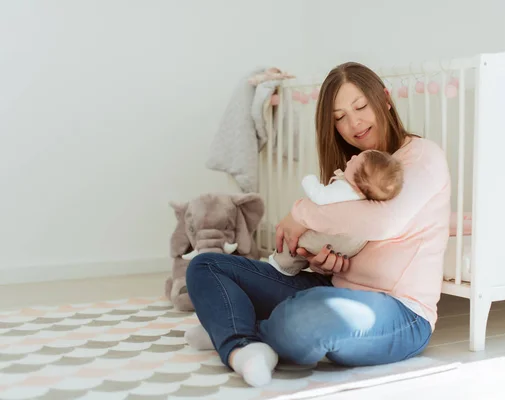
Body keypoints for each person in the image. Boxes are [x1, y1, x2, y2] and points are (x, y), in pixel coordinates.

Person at [184, 61, 451, 388]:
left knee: (311, 314)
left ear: (384, 98)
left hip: (402, 313)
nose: (353, 123)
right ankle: (243, 347)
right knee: (206, 265)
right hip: (331, 288)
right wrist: (326, 263)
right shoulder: (352, 169)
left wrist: (300, 214)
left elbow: (383, 223)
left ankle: (230, 328)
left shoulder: (423, 156)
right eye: (339, 117)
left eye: (360, 107)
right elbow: (347, 240)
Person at [268, 149, 404, 276]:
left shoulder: (345, 189)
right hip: (349, 246)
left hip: (332, 237)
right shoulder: (367, 200)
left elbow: (320, 196)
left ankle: (281, 267)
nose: (353, 157)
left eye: (356, 160)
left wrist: (309, 180)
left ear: (359, 180)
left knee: (297, 239)